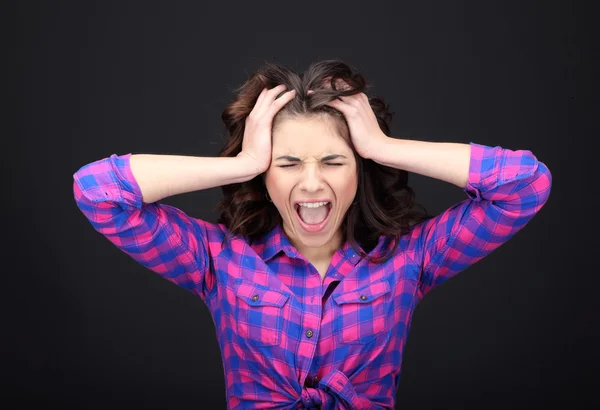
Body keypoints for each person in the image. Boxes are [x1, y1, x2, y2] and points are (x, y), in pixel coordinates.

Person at [72, 59, 552, 409]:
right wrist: (242, 163)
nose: (311, 183)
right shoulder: (217, 259)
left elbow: (525, 186)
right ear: (266, 174)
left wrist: (382, 146)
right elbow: (97, 192)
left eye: (333, 161)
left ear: (360, 170)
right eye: (287, 163)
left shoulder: (410, 259)